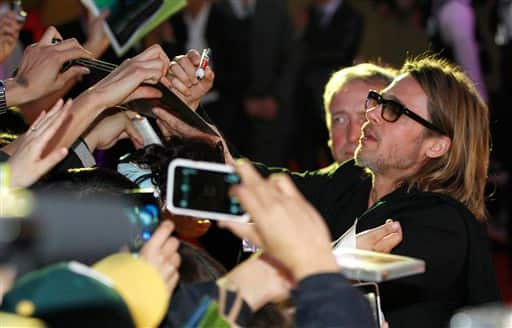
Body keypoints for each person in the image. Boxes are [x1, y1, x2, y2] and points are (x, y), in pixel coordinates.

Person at [157, 51, 502, 327]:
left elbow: (328, 284)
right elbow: (259, 187)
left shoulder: (443, 223)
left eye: (394, 110)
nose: (374, 115)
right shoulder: (351, 180)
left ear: (437, 146)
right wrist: (189, 115)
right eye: (379, 101)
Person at [322, 63, 395, 166]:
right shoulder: (305, 182)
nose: (352, 136)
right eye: (339, 120)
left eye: (366, 119)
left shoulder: (420, 181)